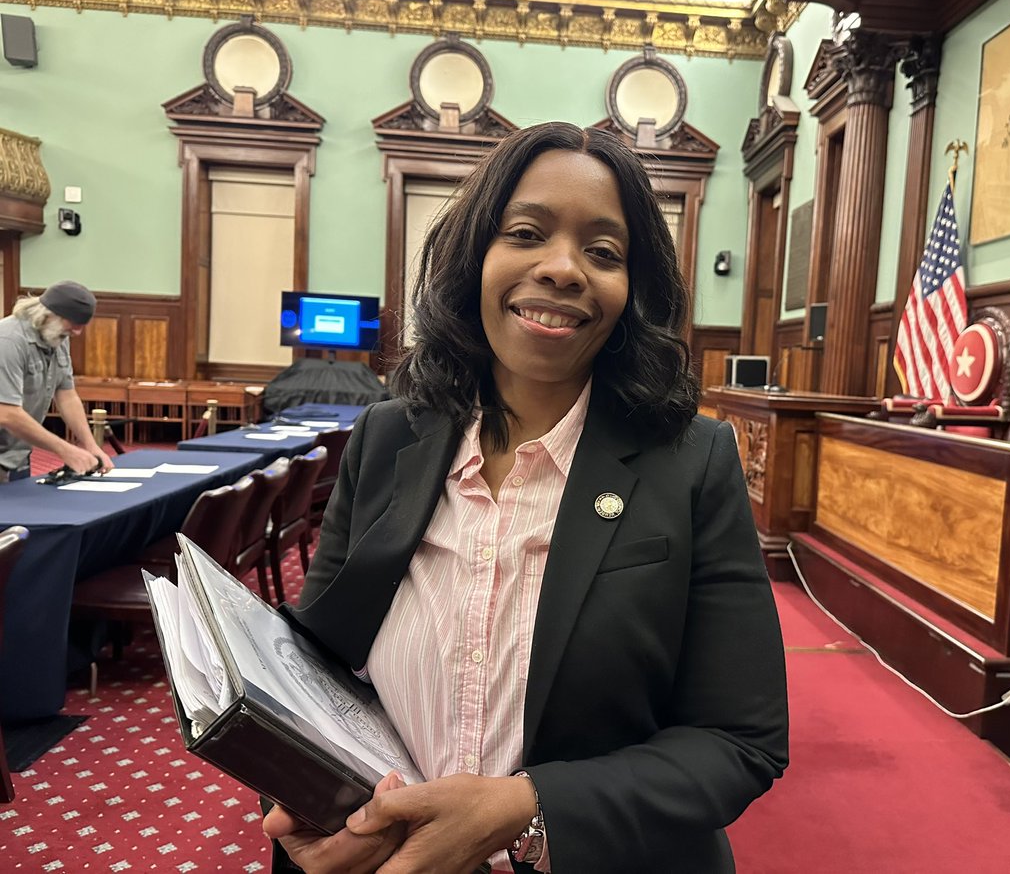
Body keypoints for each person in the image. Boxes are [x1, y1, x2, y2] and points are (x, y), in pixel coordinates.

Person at [263, 122, 789, 873]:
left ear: (632, 292)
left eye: (604, 253)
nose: (563, 268)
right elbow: (313, 671)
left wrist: (526, 808)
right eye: (525, 232)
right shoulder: (386, 440)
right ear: (475, 255)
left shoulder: (694, 462)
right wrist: (302, 798)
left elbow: (740, 741)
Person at [0, 281, 113, 481]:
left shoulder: (56, 335)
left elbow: (66, 394)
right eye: (73, 324)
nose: (77, 333)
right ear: (48, 314)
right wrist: (65, 450)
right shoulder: (8, 341)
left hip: (16, 458)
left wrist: (91, 446)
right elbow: (7, 413)